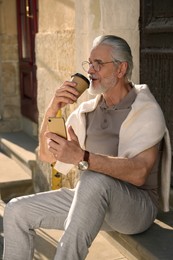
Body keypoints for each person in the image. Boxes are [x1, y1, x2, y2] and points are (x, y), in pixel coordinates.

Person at [3, 35, 171, 260]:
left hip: (136, 208)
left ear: (121, 69)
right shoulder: (87, 112)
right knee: (16, 210)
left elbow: (139, 173)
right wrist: (54, 108)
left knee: (93, 178)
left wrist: (82, 156)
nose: (90, 70)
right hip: (90, 200)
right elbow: (47, 155)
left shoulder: (145, 109)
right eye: (89, 63)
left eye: (98, 64)